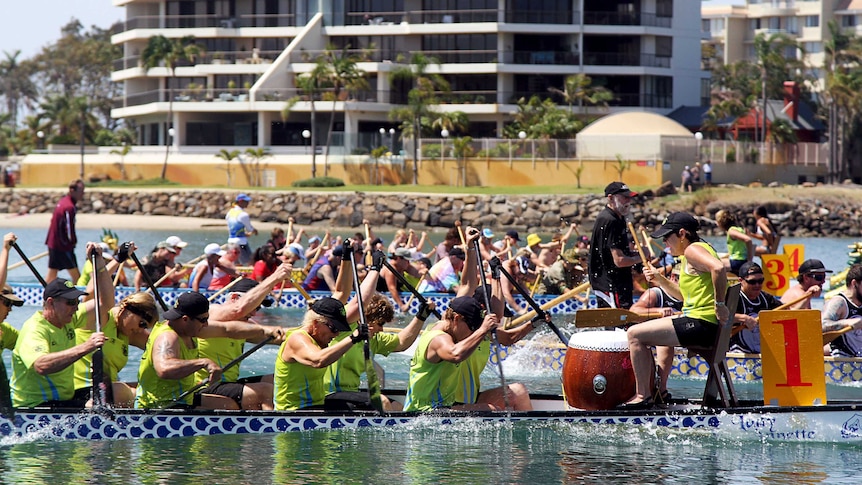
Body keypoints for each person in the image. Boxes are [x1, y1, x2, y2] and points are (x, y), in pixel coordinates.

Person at [622, 212, 728, 409]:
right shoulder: (697, 250)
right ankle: (658, 391)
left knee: (634, 334)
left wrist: (720, 305)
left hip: (702, 324)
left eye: (667, 237)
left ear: (682, 234)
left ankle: (642, 396)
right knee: (654, 334)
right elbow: (683, 297)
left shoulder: (692, 250)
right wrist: (659, 279)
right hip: (702, 322)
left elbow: (719, 269)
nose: (664, 242)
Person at [10, 247, 112, 408]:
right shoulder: (35, 329)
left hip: (62, 402)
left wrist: (99, 265)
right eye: (71, 303)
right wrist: (86, 346)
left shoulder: (69, 319)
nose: (76, 308)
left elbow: (105, 303)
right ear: (50, 302)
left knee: (109, 396)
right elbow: (41, 365)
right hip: (34, 407)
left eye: (77, 302)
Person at [134, 292, 268, 409]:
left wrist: (269, 332)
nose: (206, 324)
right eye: (203, 320)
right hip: (159, 405)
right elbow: (163, 369)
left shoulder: (188, 331)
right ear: (185, 319)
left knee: (230, 405)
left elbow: (227, 329)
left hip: (182, 397)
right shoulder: (168, 337)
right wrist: (204, 363)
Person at [199, 272, 289, 410]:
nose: (254, 313)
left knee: (279, 379)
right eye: (253, 307)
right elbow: (237, 310)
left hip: (228, 383)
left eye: (258, 308)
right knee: (265, 390)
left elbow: (281, 336)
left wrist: (313, 327)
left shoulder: (246, 325)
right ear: (234, 297)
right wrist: (275, 277)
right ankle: (272, 429)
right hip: (203, 385)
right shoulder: (210, 313)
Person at [402, 296, 499, 411]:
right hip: (423, 411)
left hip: (443, 407)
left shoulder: (450, 330)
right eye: (472, 328)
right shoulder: (438, 338)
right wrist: (482, 330)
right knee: (491, 410)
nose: (472, 333)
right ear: (457, 319)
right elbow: (456, 355)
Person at [273, 297, 370, 410]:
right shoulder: (297, 339)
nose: (337, 334)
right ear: (316, 323)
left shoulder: (320, 341)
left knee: (374, 403)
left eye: (340, 329)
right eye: (334, 329)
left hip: (318, 405)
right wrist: (353, 338)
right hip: (293, 411)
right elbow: (317, 360)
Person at [73, 291, 159, 407]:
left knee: (145, 388)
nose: (140, 330)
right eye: (142, 324)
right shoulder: (100, 319)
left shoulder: (128, 332)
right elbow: (97, 292)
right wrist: (103, 271)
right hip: (84, 390)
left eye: (146, 327)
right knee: (126, 391)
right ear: (127, 309)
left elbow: (159, 346)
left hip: (107, 390)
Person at [629, 263, 683, 403]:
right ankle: (659, 390)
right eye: (681, 279)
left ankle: (659, 389)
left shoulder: (691, 298)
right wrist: (658, 311)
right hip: (649, 341)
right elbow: (634, 310)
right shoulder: (655, 293)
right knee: (664, 341)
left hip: (680, 337)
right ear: (672, 278)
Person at [588, 182, 641, 309]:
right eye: (624, 197)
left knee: (624, 323)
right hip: (610, 283)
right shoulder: (609, 220)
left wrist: (636, 256)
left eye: (629, 197)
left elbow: (620, 254)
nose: (628, 201)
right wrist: (641, 256)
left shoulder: (619, 218)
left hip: (619, 281)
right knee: (618, 324)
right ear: (610, 198)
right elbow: (619, 261)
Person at [728, 262, 782, 354]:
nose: (757, 285)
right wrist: (744, 318)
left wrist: (806, 296)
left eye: (760, 281)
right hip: (737, 351)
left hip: (761, 351)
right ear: (741, 281)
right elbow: (719, 315)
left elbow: (787, 312)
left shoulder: (766, 298)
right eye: (752, 282)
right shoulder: (734, 298)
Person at [45, 179, 85, 283]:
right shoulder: (69, 206)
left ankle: (45, 296)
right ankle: (81, 298)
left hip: (53, 243)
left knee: (52, 273)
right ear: (72, 190)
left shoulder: (63, 202)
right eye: (80, 191)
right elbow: (69, 229)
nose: (82, 194)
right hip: (62, 246)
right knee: (77, 277)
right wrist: (73, 241)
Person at [821, 264, 862, 358]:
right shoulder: (839, 302)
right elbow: (822, 325)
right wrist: (847, 323)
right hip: (842, 363)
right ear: (854, 283)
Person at [377, 247, 422, 312]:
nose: (408, 262)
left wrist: (422, 271)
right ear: (398, 258)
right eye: (407, 260)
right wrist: (401, 305)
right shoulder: (390, 269)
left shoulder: (402, 266)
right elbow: (392, 288)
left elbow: (417, 270)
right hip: (380, 300)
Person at [715, 209, 753, 275]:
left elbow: (748, 240)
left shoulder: (731, 231)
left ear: (720, 222)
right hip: (740, 260)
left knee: (711, 264)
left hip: (738, 261)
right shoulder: (739, 229)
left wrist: (749, 260)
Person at [226, 193, 258, 265]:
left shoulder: (229, 213)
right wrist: (255, 231)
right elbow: (250, 229)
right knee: (251, 262)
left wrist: (244, 234)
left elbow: (231, 229)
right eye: (246, 201)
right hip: (241, 243)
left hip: (231, 242)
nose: (248, 203)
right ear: (240, 202)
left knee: (236, 264)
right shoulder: (243, 215)